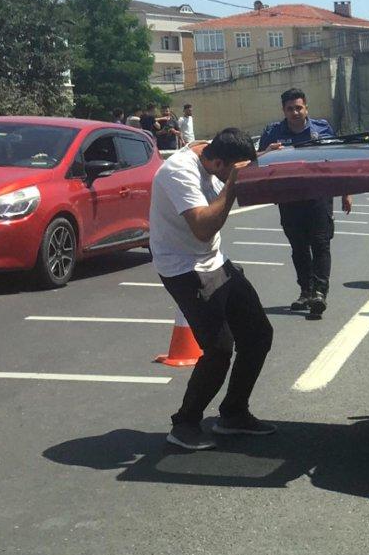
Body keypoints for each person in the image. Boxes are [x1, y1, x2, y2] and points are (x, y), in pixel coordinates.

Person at [150, 128, 275, 450]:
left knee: (258, 333)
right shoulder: (178, 172)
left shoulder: (214, 157)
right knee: (219, 350)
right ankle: (185, 423)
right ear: (218, 161)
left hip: (214, 261)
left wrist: (272, 159)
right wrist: (232, 183)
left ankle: (233, 413)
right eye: (230, 171)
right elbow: (203, 228)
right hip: (183, 268)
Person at [258, 87, 352, 318]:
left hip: (319, 196)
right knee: (299, 248)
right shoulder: (273, 132)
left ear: (306, 107)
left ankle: (320, 292)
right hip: (289, 198)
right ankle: (306, 291)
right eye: (290, 109)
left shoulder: (322, 128)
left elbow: (338, 159)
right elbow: (256, 164)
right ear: (284, 110)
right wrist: (267, 152)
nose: (295, 112)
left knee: (321, 244)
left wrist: (346, 192)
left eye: (298, 107)